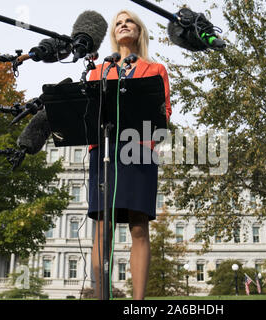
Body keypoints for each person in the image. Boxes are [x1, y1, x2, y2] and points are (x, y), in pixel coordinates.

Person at [87, 10, 172, 300]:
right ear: (114, 32)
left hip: (139, 150)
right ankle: (102, 297)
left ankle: (138, 303)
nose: (123, 25)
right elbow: (87, 112)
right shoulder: (99, 70)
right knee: (102, 226)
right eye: (118, 23)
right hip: (104, 150)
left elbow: (165, 113)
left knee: (138, 225)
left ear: (139, 30)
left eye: (129, 21)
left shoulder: (155, 69)